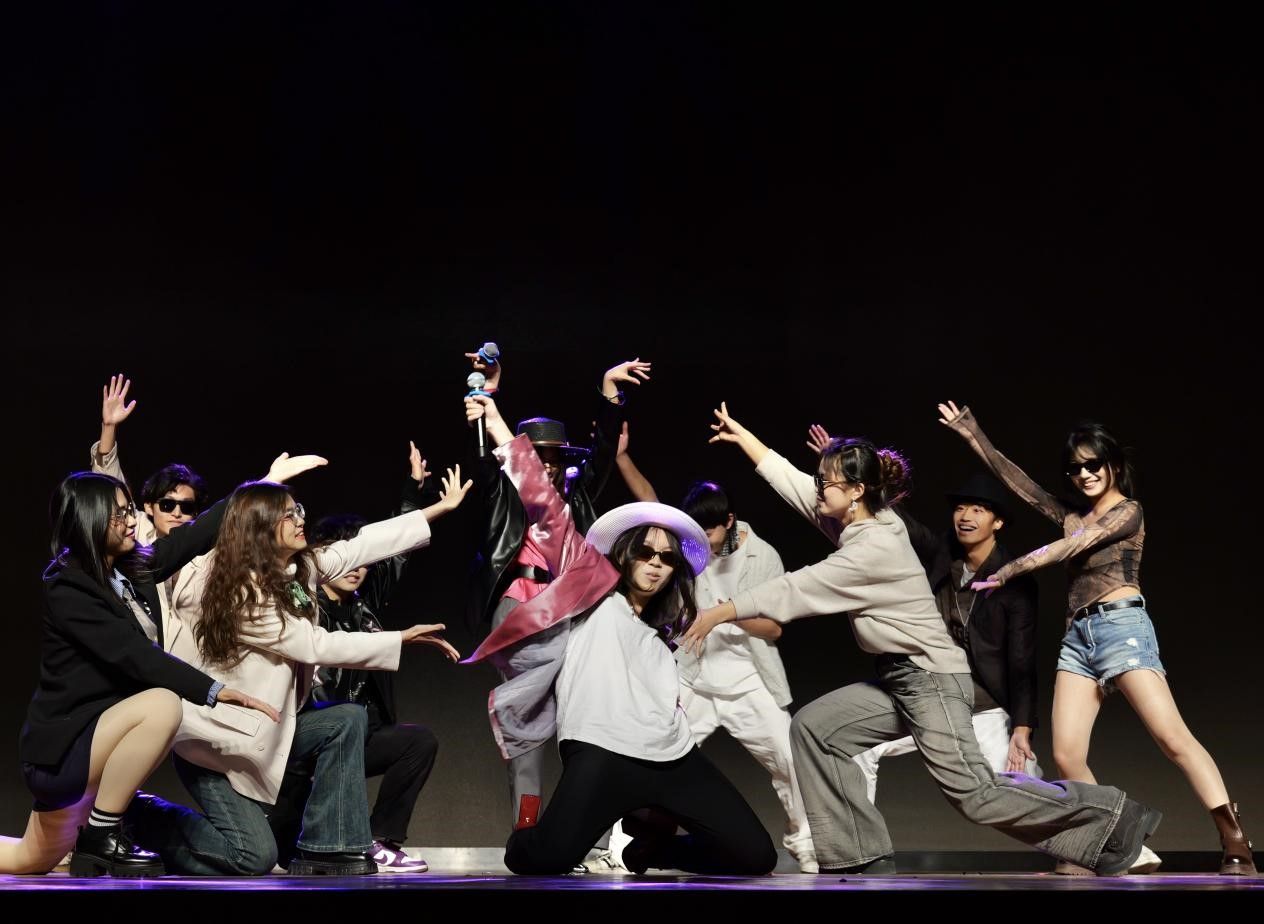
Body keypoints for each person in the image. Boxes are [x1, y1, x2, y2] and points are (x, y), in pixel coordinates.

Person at [680, 402, 1162, 876]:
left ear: (857, 492)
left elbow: (796, 588)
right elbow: (794, 485)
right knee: (814, 730)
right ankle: (860, 855)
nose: (819, 488)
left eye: (827, 481)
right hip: (899, 678)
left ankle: (1115, 816)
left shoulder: (873, 545)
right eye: (821, 480)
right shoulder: (860, 521)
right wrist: (746, 440)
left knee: (976, 795)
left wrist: (720, 611)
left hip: (931, 679)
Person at [463, 393, 778, 877]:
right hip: (602, 753)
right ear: (626, 553)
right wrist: (496, 421)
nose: (655, 564)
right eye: (645, 553)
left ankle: (649, 852)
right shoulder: (594, 590)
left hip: (672, 757)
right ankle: (534, 835)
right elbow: (544, 504)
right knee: (543, 859)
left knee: (757, 856)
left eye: (667, 558)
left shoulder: (666, 629)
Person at [939, 400, 1256, 876]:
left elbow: (1073, 545)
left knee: (1172, 738)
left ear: (1113, 466)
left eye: (1093, 465)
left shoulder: (1128, 512)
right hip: (1078, 638)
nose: (1084, 475)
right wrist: (973, 434)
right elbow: (1021, 486)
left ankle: (1235, 839)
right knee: (1067, 754)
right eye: (1075, 469)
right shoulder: (1072, 513)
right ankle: (1109, 845)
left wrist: (1009, 569)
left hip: (1122, 628)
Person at [126, 463, 468, 875]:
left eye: (298, 510)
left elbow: (360, 545)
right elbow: (313, 644)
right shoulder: (242, 595)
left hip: (269, 730)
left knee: (345, 719)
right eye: (288, 515)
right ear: (262, 529)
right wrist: (400, 639)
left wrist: (437, 510)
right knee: (253, 857)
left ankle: (330, 846)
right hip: (216, 747)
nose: (300, 519)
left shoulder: (295, 570)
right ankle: (139, 817)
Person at [1, 467, 283, 877]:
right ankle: (102, 833)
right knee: (162, 705)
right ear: (90, 519)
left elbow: (192, 537)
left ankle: (102, 829)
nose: (131, 520)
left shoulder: (131, 570)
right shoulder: (68, 586)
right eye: (118, 514)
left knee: (28, 860)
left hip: (99, 745)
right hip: (64, 754)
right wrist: (214, 690)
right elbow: (135, 656)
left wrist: (261, 485)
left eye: (129, 509)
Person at [613, 429, 816, 872]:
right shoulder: (688, 547)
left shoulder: (763, 556)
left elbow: (774, 628)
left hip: (750, 681)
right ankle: (623, 845)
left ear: (730, 521)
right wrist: (623, 458)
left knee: (790, 761)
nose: (701, 541)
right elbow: (650, 503)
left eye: (709, 531)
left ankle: (806, 844)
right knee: (648, 752)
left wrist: (724, 613)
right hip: (694, 677)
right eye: (696, 532)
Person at [465, 349, 650, 831]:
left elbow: (604, 454)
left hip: (571, 615)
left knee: (582, 718)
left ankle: (578, 831)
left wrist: (610, 392)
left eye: (554, 458)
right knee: (529, 723)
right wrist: (486, 394)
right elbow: (487, 458)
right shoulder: (506, 490)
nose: (546, 467)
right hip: (522, 611)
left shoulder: (574, 499)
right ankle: (527, 830)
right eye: (538, 457)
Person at [299, 445, 442, 873]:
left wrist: (413, 491)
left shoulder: (366, 603)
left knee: (418, 741)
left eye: (362, 558)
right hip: (321, 732)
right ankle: (339, 840)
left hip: (364, 734)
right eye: (345, 554)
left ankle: (379, 840)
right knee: (278, 845)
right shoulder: (304, 605)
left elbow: (395, 551)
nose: (357, 566)